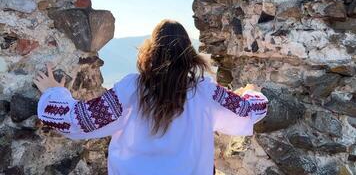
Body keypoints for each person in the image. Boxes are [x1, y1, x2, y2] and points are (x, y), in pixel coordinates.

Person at [33, 19, 268, 175]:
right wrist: (250, 91)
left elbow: (79, 121)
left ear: (150, 51)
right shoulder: (205, 91)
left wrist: (55, 92)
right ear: (189, 54)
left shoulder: (131, 89)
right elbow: (248, 111)